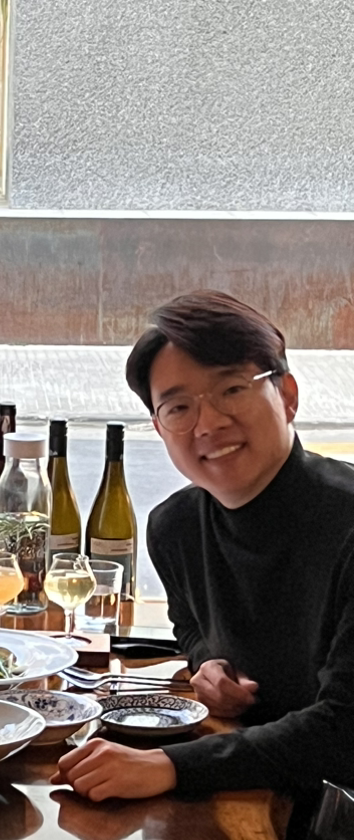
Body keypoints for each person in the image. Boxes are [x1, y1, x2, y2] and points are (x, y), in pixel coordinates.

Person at [54, 291, 354, 806]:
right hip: (252, 794)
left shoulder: (345, 525)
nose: (209, 423)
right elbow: (189, 624)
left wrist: (171, 765)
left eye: (231, 389)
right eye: (179, 407)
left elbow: (345, 730)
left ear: (287, 395)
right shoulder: (174, 528)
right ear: (159, 428)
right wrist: (206, 663)